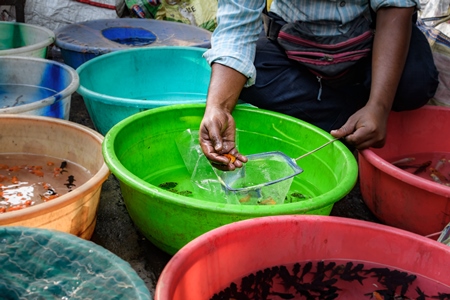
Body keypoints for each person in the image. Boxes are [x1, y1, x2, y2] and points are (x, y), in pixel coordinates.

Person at [199, 0, 439, 171]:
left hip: (369, 43)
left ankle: (362, 112)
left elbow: (395, 6)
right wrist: (218, 108)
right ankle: (349, 116)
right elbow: (236, 30)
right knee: (243, 76)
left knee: (414, 81)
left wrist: (379, 105)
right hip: (296, 45)